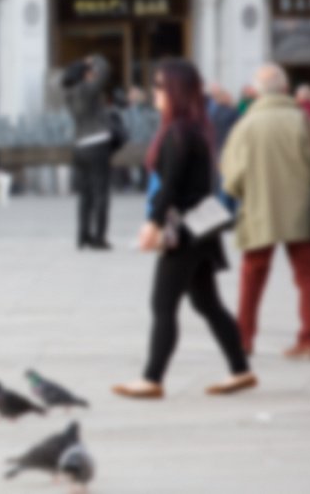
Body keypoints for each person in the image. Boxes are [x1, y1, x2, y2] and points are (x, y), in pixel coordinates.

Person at [112, 59, 256, 399]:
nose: (155, 93)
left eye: (160, 87)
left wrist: (153, 223)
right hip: (201, 227)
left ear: (176, 91)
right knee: (207, 303)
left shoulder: (179, 132)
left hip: (189, 231)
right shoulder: (193, 128)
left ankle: (152, 378)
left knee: (163, 303)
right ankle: (240, 370)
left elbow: (171, 185)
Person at [221, 65, 310, 360]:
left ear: (256, 92)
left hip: (261, 211)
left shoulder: (245, 125)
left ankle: (243, 339)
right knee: (308, 275)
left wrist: (246, 190)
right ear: (286, 90)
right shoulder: (303, 121)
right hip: (301, 211)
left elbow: (231, 179)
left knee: (252, 275)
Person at [63, 55, 113, 249]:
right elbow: (106, 70)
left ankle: (82, 236)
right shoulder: (87, 89)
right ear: (85, 74)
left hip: (79, 146)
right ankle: (99, 238)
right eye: (90, 72)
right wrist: (95, 60)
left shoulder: (68, 93)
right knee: (101, 193)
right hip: (97, 143)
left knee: (85, 195)